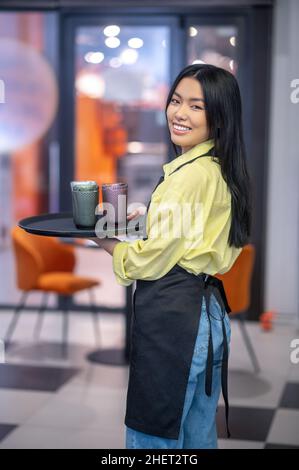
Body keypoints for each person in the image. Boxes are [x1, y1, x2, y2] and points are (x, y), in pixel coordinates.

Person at [90, 63, 252, 449]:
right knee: (198, 436)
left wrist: (103, 238)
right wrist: (150, 217)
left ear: (219, 117)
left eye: (197, 106)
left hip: (175, 321)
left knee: (153, 440)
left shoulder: (188, 176)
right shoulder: (218, 167)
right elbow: (194, 234)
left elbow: (150, 261)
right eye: (176, 101)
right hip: (209, 318)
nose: (180, 113)